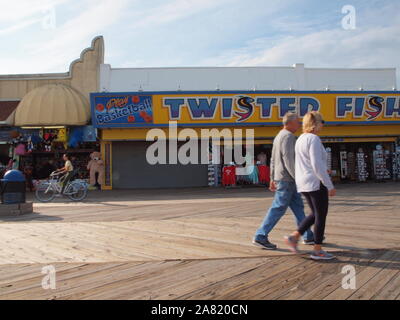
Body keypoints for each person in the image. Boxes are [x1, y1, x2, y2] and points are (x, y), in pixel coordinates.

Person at [253, 112, 314, 250]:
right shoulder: (289, 137)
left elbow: (273, 159)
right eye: (297, 122)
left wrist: (272, 178)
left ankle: (308, 235)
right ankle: (260, 236)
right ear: (290, 123)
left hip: (282, 178)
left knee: (298, 207)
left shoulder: (279, 136)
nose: (299, 124)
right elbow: (289, 160)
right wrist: (299, 178)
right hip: (288, 179)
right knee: (278, 207)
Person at [284, 111, 336, 260]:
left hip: (304, 182)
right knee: (321, 216)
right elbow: (316, 164)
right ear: (315, 123)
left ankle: (294, 237)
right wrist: (329, 184)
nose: (323, 124)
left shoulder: (301, 138)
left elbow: (306, 162)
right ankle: (318, 250)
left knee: (314, 214)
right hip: (315, 182)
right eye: (321, 121)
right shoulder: (313, 139)